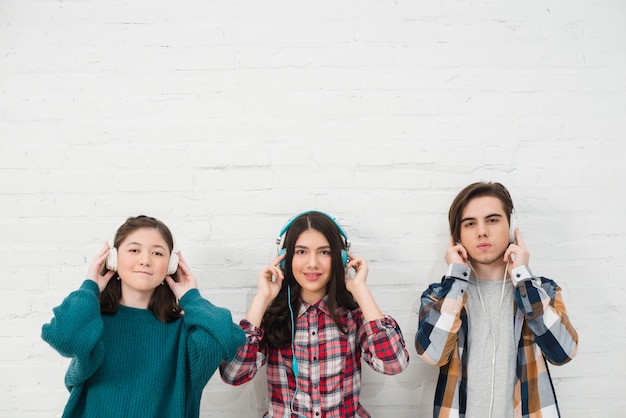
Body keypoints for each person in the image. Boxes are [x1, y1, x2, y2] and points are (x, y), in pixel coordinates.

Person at [42, 215, 246, 418]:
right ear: (113, 260)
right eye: (134, 250)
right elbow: (64, 337)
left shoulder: (183, 333)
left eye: (157, 253)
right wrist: (90, 287)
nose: (145, 260)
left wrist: (191, 298)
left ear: (171, 265)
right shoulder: (93, 324)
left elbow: (226, 338)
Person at [220, 210, 409, 418]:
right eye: (301, 252)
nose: (312, 263)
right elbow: (232, 374)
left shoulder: (354, 317)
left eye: (324, 252)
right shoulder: (271, 317)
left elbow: (394, 364)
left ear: (341, 258)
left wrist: (360, 289)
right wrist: (262, 298)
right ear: (286, 259)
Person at [415, 182, 578, 418]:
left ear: (510, 227)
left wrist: (523, 277)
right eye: (470, 224)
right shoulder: (440, 296)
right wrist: (456, 276)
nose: (482, 231)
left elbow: (563, 353)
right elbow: (432, 355)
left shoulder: (542, 291)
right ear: (457, 238)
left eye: (492, 220)